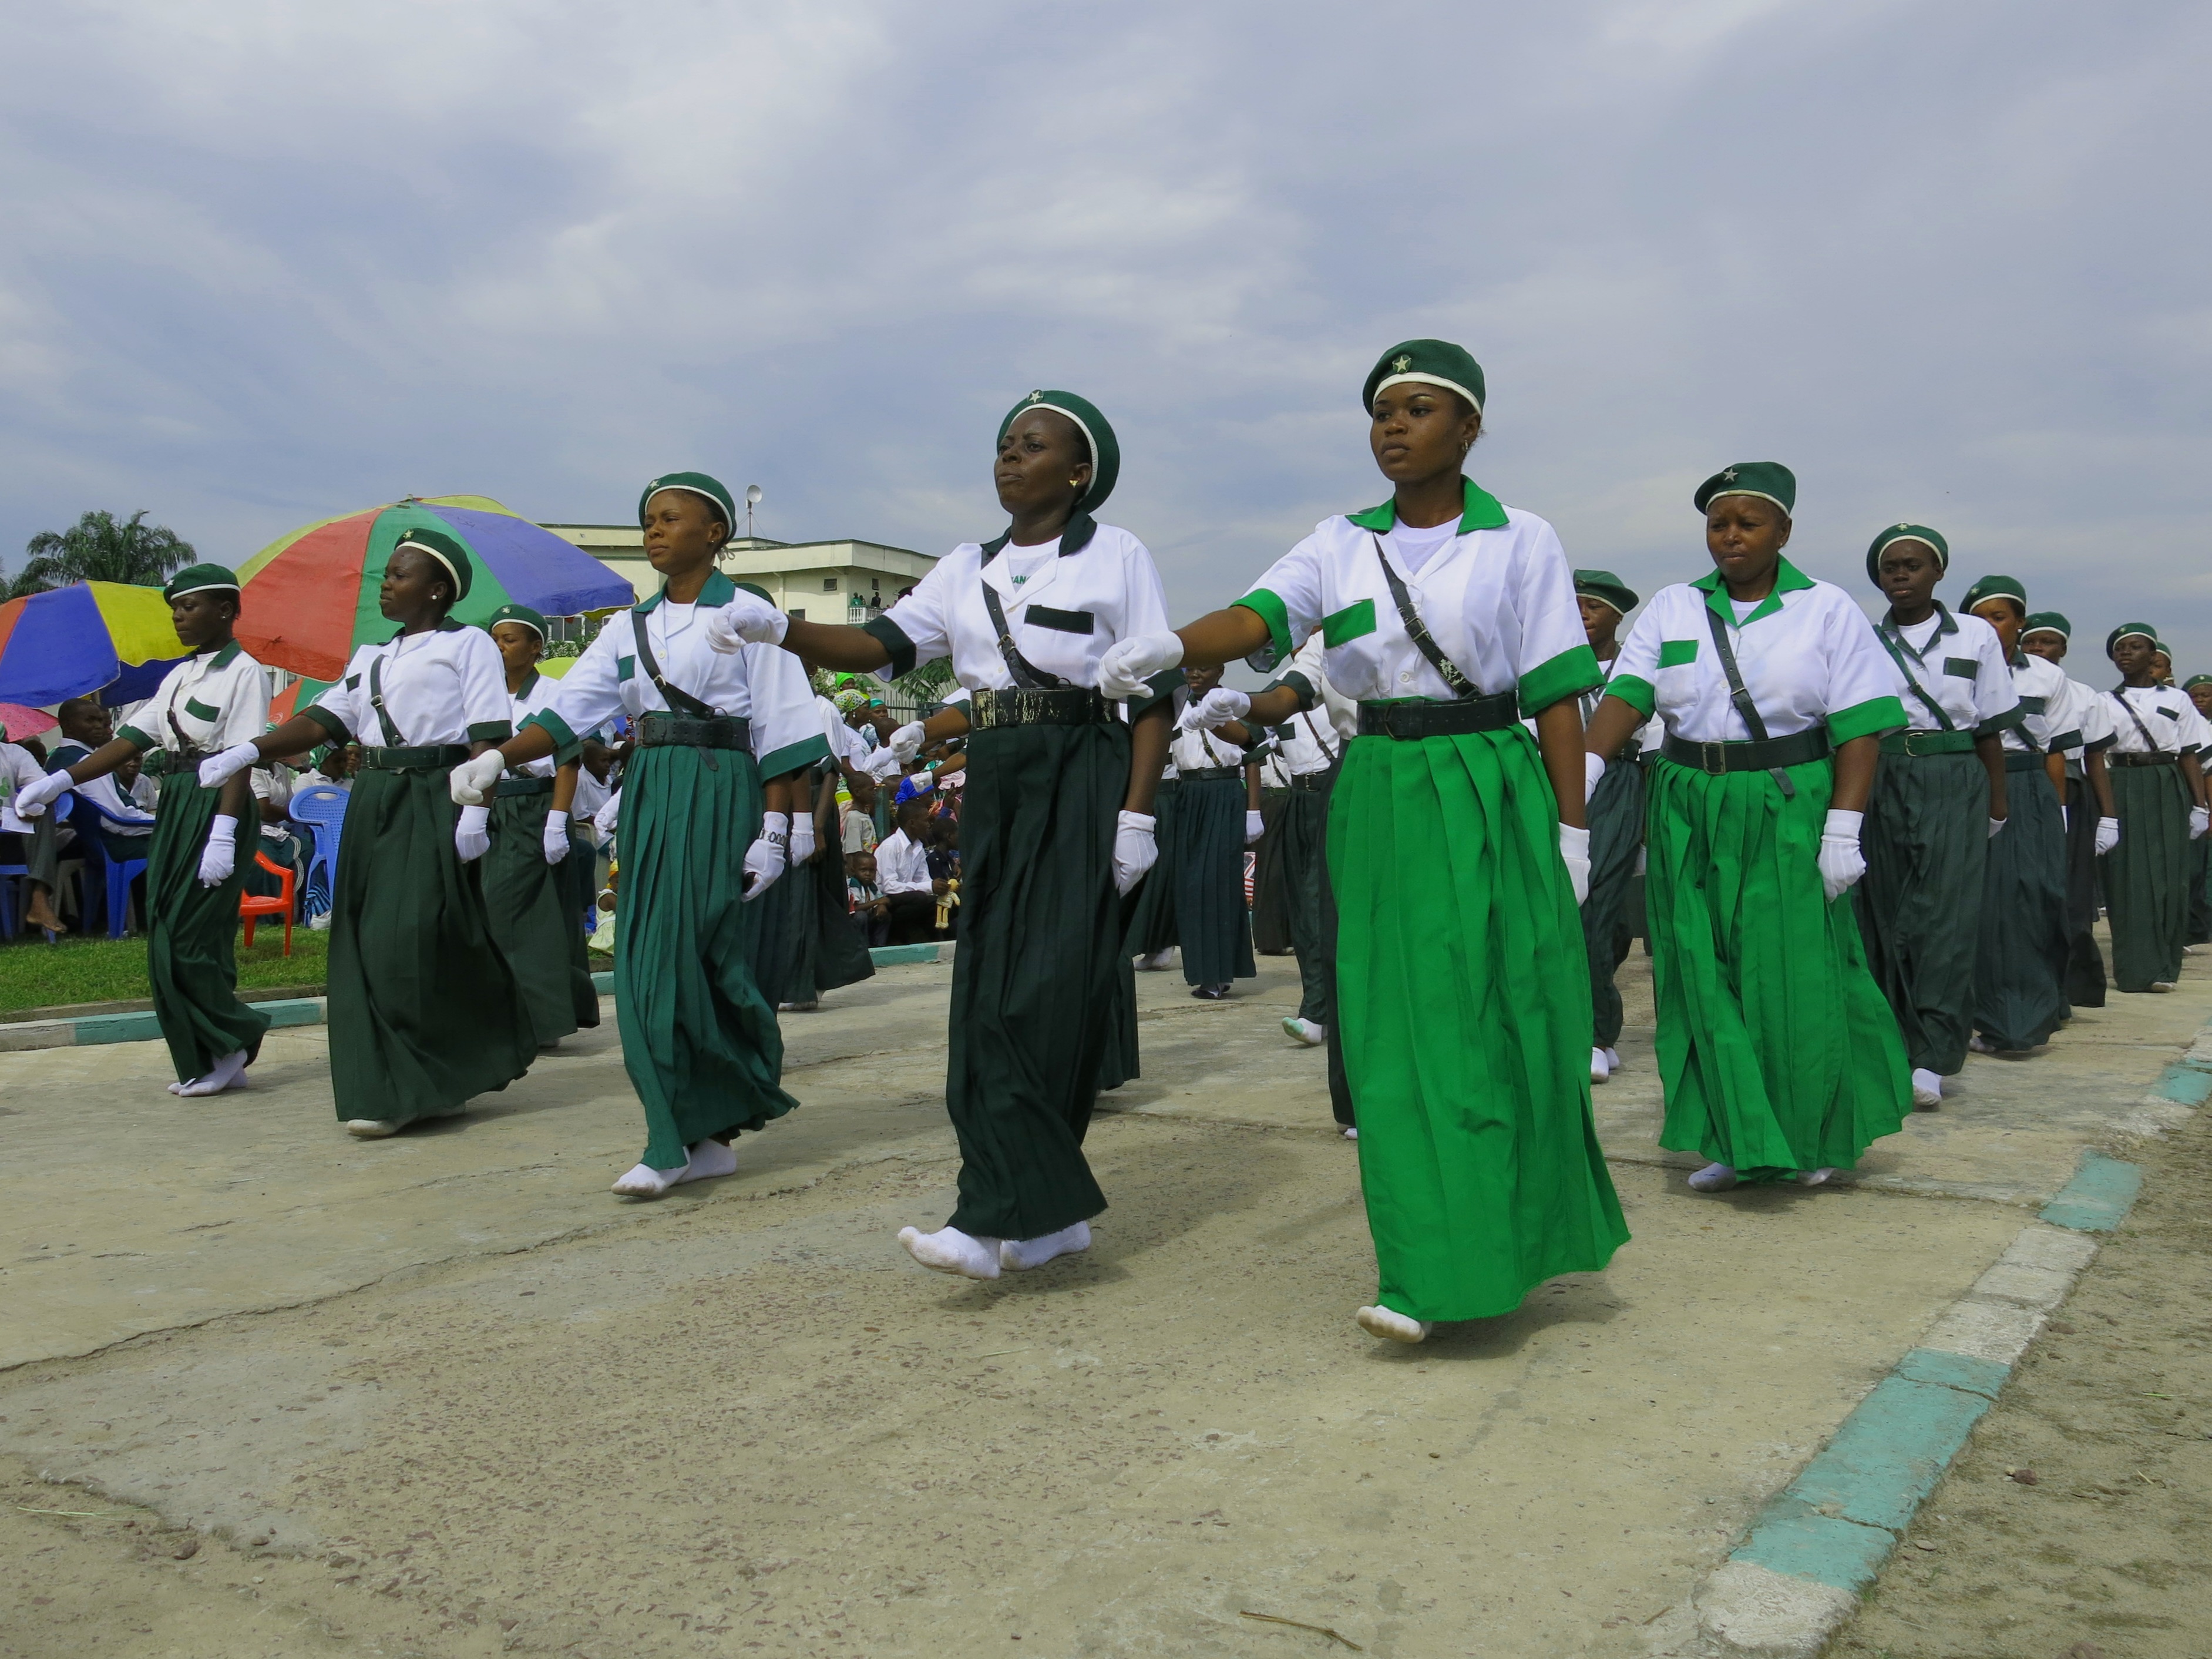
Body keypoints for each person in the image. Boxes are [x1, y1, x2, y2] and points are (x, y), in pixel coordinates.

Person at [1122, 340, 1625, 1344]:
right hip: (1381, 784)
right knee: (1394, 1024)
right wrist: (1174, 645)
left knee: (1496, 1013)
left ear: (1469, 428)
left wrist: (1572, 830)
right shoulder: (1338, 543)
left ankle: (1509, 1238)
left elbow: (1557, 693)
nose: (1393, 425)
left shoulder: (1519, 539)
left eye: (1419, 408)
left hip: (1487, 776)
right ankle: (1427, 1266)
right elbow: (1257, 616)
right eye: (1382, 410)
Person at [706, 388, 1174, 1281]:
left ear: (1079, 473)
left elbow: (1153, 694)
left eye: (1032, 446)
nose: (1010, 457)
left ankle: (995, 1215)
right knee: (989, 996)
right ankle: (1043, 1213)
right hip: (997, 775)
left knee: (1048, 995)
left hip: (1082, 767)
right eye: (1003, 444)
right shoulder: (965, 568)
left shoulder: (1116, 554)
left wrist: (1137, 816)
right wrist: (783, 629)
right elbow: (878, 646)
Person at [449, 473, 825, 1194]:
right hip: (652, 786)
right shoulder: (627, 627)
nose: (653, 530)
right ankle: (675, 1136)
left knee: (705, 959)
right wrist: (499, 759)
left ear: (715, 532)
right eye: (648, 519)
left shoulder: (748, 611)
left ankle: (711, 1125)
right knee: (647, 962)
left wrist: (776, 830)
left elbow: (781, 726)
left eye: (670, 518)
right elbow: (566, 715)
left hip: (719, 785)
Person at [1583, 462, 1911, 1195]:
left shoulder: (1825, 608)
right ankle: (1736, 1138)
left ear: (1783, 531)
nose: (1729, 536)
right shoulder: (1673, 607)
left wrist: (1842, 829)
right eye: (1717, 523)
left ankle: (1807, 1133)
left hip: (1785, 799)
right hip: (1685, 803)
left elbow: (1859, 727)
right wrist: (1585, 772)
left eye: (1748, 523)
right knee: (1699, 970)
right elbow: (1627, 695)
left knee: (1793, 973)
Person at [190, 533, 536, 1131]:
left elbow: (487, 733)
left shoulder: (468, 644)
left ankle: (434, 1074)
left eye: (400, 575)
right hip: (375, 796)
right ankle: (395, 1089)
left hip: (437, 791)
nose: (386, 583)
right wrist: (250, 749)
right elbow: (324, 721)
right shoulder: (371, 656)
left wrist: (477, 813)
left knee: (414, 937)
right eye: (387, 574)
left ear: (437, 589)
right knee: (362, 937)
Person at [16, 566, 275, 1093]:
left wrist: (224, 831)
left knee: (191, 936)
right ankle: (213, 1052)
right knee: (166, 931)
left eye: (190, 607)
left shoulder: (245, 672)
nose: (179, 617)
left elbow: (240, 757)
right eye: (175, 608)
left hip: (216, 801)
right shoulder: (178, 677)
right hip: (178, 801)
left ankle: (233, 1039)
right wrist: (58, 780)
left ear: (226, 610)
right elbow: (130, 741)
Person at [1848, 527, 2018, 1109]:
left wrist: (1996, 803)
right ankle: (1893, 1043)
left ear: (1938, 572)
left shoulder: (1974, 634)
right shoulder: (1863, 638)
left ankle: (1933, 1057)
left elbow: (1989, 728)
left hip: (1954, 774)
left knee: (1945, 917)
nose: (1900, 574)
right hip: (1883, 773)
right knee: (1885, 913)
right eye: (1889, 567)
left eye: (1913, 565)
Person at [1957, 576, 2070, 1055]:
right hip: (1971, 782)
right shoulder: (1956, 667)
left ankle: (2029, 1013)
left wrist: (2058, 810)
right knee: (1977, 902)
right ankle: (1981, 1015)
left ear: (2020, 622)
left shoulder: (2045, 677)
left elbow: (2056, 750)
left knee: (2034, 895)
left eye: (1999, 617)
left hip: (2027, 786)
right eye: (1978, 618)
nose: (1989, 626)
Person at [479, 603, 600, 1049]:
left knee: (521, 914)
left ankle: (534, 1019)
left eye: (509, 640)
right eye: (494, 639)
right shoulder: (480, 691)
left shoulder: (553, 692)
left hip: (535, 806)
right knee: (514, 914)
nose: (499, 647)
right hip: (488, 808)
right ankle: (533, 1016)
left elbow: (568, 761)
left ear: (535, 648)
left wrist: (556, 820)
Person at [1571, 570, 1654, 1087]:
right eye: (1574, 604)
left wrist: (1644, 830)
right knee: (1580, 912)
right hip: (1559, 786)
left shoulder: (1638, 667)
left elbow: (1657, 745)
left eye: (1593, 606)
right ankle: (1593, 1024)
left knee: (1598, 908)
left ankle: (1596, 1035)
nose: (1581, 614)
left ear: (1617, 616)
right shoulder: (1553, 665)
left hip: (1619, 784)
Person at [1250, 631, 1353, 1048]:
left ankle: (1325, 1010)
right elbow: (1250, 740)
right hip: (1297, 800)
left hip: (1337, 791)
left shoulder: (1345, 684)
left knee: (1325, 902)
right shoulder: (1281, 694)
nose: (1301, 641)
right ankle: (1316, 1008)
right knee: (1304, 907)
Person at [2097, 624, 2212, 992]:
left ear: (2153, 655)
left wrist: (2200, 806)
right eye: (2120, 649)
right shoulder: (2103, 701)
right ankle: (2135, 970)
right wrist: (2106, 814)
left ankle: (2164, 967)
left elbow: (2190, 754)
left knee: (2170, 876)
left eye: (2135, 647)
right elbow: (2096, 755)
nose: (2126, 653)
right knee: (2127, 877)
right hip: (2123, 782)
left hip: (2167, 781)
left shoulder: (2178, 700)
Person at [2019, 613, 2119, 1005]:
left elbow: (2095, 758)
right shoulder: (2003, 682)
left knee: (2072, 891)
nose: (2038, 648)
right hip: (2020, 780)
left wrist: (2108, 816)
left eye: (2047, 642)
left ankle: (2074, 985)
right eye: (2031, 641)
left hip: (2073, 791)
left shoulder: (2083, 695)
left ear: (2063, 648)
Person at [1162, 663, 1259, 999]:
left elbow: (1253, 756)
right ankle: (1205, 972)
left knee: (1216, 882)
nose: (1194, 675)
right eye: (1190, 668)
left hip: (1223, 792)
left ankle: (1217, 975)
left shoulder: (1234, 704)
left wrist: (1253, 811)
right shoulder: (1174, 707)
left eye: (1203, 669)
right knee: (1190, 885)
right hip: (1188, 794)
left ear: (1220, 671)